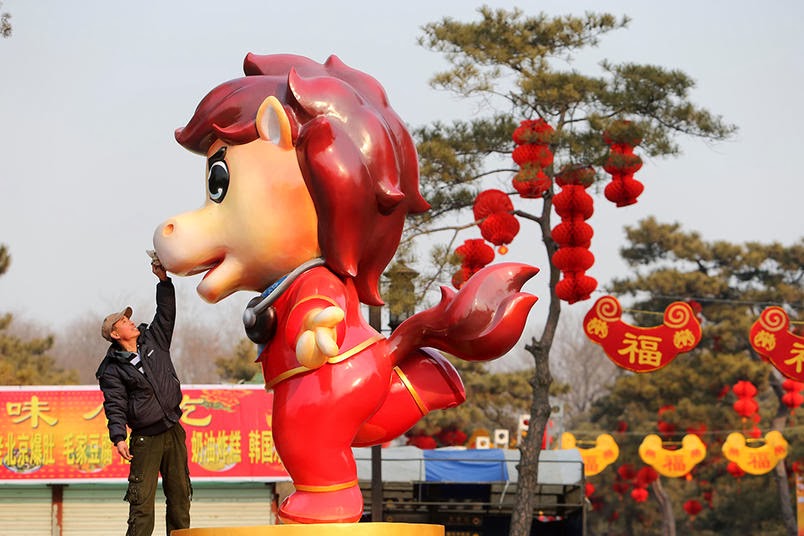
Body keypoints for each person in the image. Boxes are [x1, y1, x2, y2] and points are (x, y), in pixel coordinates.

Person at [96, 258, 191, 536]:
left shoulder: (155, 340)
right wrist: (118, 437)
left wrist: (163, 281)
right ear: (115, 334)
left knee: (180, 497)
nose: (131, 321)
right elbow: (114, 405)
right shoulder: (112, 369)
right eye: (125, 322)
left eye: (130, 318)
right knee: (141, 504)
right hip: (145, 439)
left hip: (173, 430)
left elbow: (166, 313)